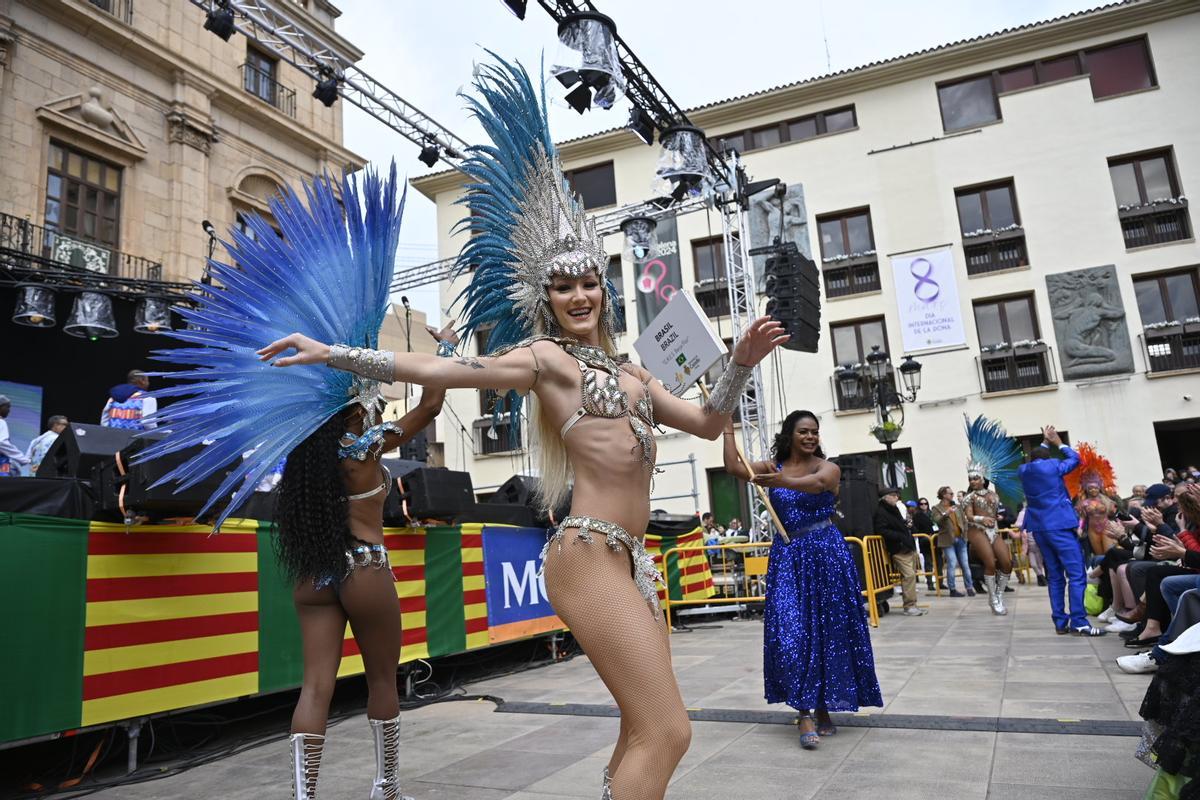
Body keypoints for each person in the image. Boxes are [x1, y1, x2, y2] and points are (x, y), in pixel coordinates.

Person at [259, 59, 788, 800]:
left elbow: (706, 424)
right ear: (547, 298)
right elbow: (445, 371)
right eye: (563, 286)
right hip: (586, 555)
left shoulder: (636, 375)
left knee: (642, 727)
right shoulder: (546, 360)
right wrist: (336, 354)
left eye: (588, 282)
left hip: (633, 562)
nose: (579, 295)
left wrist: (739, 363)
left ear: (604, 288)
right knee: (670, 731)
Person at [135, 168, 448, 800]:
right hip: (365, 569)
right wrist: (442, 350)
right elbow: (433, 403)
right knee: (382, 681)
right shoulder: (365, 448)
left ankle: (305, 796)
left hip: (314, 573)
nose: (378, 400)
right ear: (357, 403)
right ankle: (386, 789)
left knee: (315, 687)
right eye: (372, 395)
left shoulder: (306, 453)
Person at [723, 410, 881, 749]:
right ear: (789, 435)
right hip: (788, 556)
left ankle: (822, 706)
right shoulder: (772, 467)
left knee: (827, 631)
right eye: (803, 432)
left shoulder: (827, 467)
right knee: (791, 632)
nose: (810, 437)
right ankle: (804, 711)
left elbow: (820, 484)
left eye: (814, 432)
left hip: (825, 552)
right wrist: (726, 427)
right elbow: (734, 467)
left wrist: (782, 482)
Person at [1018, 426, 1105, 636]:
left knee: (1055, 576)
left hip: (1038, 527)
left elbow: (1038, 458)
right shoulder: (1054, 465)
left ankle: (1059, 622)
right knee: (1076, 574)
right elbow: (1076, 459)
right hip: (1059, 525)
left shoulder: (1023, 470)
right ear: (1048, 457)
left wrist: (1045, 443)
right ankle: (1079, 622)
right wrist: (1058, 442)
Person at [962, 415, 1021, 615]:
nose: (973, 481)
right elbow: (969, 516)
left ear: (983, 478)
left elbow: (994, 515)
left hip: (993, 531)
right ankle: (992, 598)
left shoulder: (994, 496)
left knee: (1007, 563)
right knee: (989, 562)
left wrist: (994, 520)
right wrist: (982, 519)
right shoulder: (968, 498)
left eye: (976, 478)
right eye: (970, 479)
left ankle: (999, 594)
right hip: (976, 531)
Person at [874, 487, 925, 617]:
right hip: (899, 548)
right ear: (886, 497)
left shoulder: (893, 509)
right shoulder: (881, 511)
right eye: (893, 495)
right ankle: (910, 606)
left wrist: (906, 525)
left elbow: (896, 526)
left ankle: (912, 605)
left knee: (910, 576)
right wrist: (901, 537)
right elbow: (881, 530)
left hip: (906, 546)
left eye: (897, 495)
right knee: (909, 576)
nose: (896, 497)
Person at [931, 486, 973, 597]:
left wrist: (965, 534)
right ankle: (952, 589)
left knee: (965, 564)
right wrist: (946, 513)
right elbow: (936, 520)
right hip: (947, 540)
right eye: (950, 493)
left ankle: (969, 587)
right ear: (943, 495)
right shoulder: (936, 508)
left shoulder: (957, 507)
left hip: (961, 538)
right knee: (952, 563)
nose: (952, 495)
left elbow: (964, 521)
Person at [910, 497, 938, 591]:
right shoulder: (917, 515)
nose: (924, 505)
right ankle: (930, 583)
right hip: (924, 540)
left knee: (939, 561)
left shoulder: (932, 513)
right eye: (921, 504)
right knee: (928, 562)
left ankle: (940, 582)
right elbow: (915, 529)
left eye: (925, 503)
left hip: (935, 539)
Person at [0, 396, 31, 477]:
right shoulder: (1, 422)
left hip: (4, 461)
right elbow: (2, 443)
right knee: (5, 481)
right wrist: (23, 459)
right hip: (1, 462)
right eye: (7, 407)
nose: (9, 410)